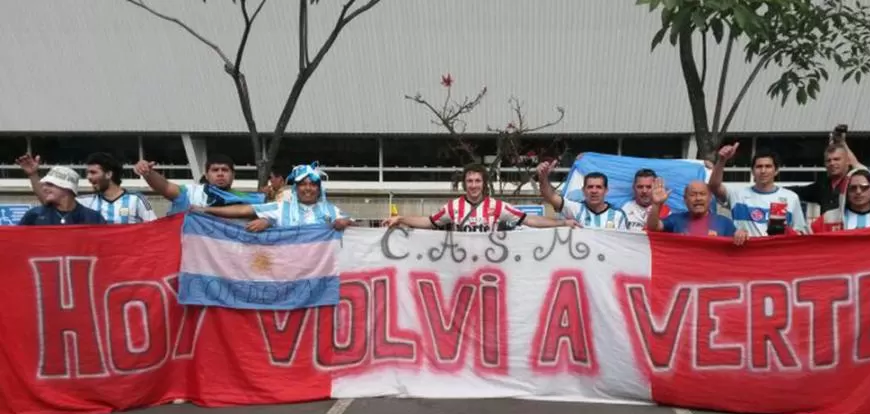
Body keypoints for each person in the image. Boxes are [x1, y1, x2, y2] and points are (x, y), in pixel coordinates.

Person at [383, 163, 578, 231]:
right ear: (464, 183)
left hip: (490, 269)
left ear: (484, 183)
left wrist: (562, 223)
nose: (474, 185)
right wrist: (401, 219)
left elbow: (530, 220)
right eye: (470, 181)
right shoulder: (454, 207)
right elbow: (429, 221)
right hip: (462, 270)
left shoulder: (497, 206)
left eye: (477, 181)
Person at [196, 162, 353, 232]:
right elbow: (244, 210)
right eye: (302, 184)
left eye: (312, 184)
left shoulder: (331, 211)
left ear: (319, 189)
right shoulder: (281, 207)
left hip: (320, 277)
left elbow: (357, 230)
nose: (307, 188)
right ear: (295, 188)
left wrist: (345, 223)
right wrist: (207, 210)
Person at [16, 152, 156, 224]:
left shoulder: (136, 200)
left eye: (93, 172)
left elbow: (155, 230)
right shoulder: (86, 201)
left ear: (108, 174)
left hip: (129, 263)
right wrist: (33, 175)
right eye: (87, 173)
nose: (88, 177)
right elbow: (51, 201)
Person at [707, 144, 808, 235]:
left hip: (776, 250)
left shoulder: (791, 198)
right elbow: (714, 186)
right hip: (745, 250)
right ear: (752, 171)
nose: (763, 171)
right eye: (759, 167)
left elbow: (800, 233)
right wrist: (722, 160)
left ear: (776, 171)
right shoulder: (738, 195)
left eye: (768, 166)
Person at [134, 154, 264, 213]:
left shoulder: (245, 199)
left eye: (225, 170)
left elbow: (268, 214)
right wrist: (148, 173)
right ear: (206, 175)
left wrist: (265, 221)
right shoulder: (191, 193)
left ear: (233, 175)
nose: (220, 174)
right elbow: (166, 187)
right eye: (215, 170)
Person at [646, 179, 748, 246]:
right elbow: (653, 227)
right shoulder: (675, 219)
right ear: (685, 199)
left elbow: (739, 242)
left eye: (702, 194)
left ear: (710, 198)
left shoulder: (724, 222)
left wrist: (742, 234)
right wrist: (656, 204)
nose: (698, 198)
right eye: (693, 195)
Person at [536, 160, 628, 230]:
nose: (594, 191)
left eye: (599, 187)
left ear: (606, 190)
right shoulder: (575, 209)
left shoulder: (618, 216)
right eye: (590, 187)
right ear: (583, 190)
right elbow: (550, 196)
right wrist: (543, 178)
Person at [811, 168, 870, 232]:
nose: (858, 192)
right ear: (846, 191)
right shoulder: (829, 218)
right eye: (853, 188)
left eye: (864, 187)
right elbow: (807, 240)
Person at [19, 166, 106, 226]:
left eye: (50, 184)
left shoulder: (93, 218)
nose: (44, 188)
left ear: (67, 188)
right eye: (45, 184)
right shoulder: (34, 215)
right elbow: (17, 241)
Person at [789, 142, 858, 214]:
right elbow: (800, 191)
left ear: (847, 161)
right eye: (828, 160)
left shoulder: (855, 182)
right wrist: (780, 189)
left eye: (836, 159)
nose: (832, 163)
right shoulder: (822, 185)